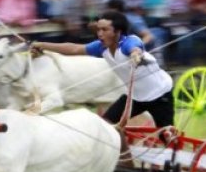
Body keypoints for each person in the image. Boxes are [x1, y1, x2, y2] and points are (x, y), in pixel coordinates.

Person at [31, 10, 175, 132]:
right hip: (134, 98)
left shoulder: (128, 42)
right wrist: (43, 45)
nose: (100, 34)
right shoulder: (101, 47)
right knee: (106, 126)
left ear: (118, 32)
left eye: (105, 30)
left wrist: (135, 54)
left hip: (160, 96)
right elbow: (74, 48)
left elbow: (134, 47)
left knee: (166, 135)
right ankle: (124, 158)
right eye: (98, 29)